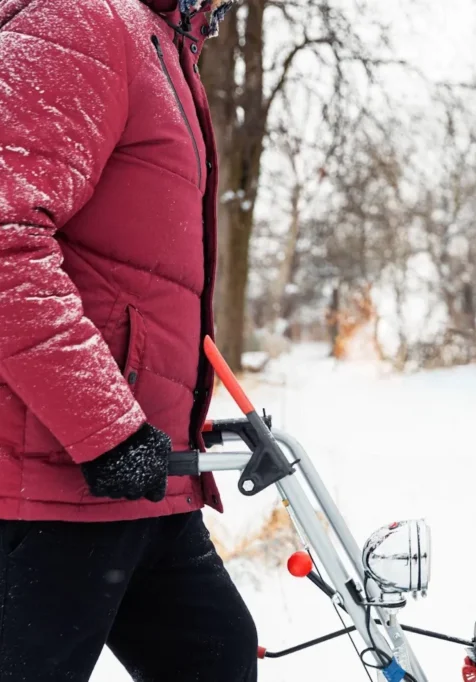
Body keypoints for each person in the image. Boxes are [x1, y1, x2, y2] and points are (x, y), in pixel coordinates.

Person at [0, 0, 257, 680]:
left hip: (145, 480)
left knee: (216, 658)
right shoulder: (77, 21)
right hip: (50, 481)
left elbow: (137, 277)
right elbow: (5, 240)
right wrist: (107, 428)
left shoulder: (162, 46)